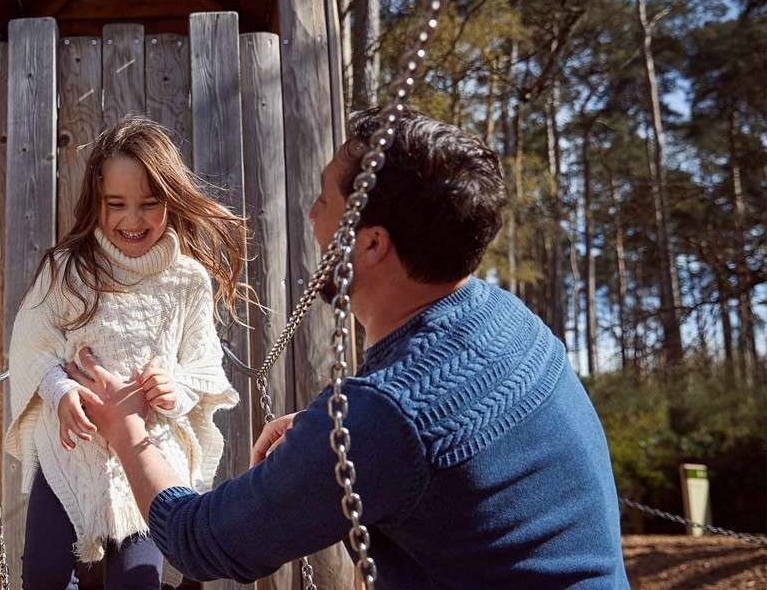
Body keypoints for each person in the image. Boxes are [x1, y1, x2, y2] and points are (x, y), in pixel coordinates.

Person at [66, 109, 630, 588]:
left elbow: (199, 539)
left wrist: (127, 431)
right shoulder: (504, 317)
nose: (312, 216)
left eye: (323, 200)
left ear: (371, 243)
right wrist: (328, 443)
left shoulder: (381, 421)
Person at [5, 116, 246, 588]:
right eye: (116, 204)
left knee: (137, 579)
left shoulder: (186, 281)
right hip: (71, 450)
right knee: (43, 574)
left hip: (146, 454)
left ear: (171, 202)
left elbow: (205, 370)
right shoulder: (67, 269)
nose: (131, 220)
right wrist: (58, 390)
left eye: (149, 204)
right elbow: (31, 344)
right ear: (96, 199)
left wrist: (173, 386)